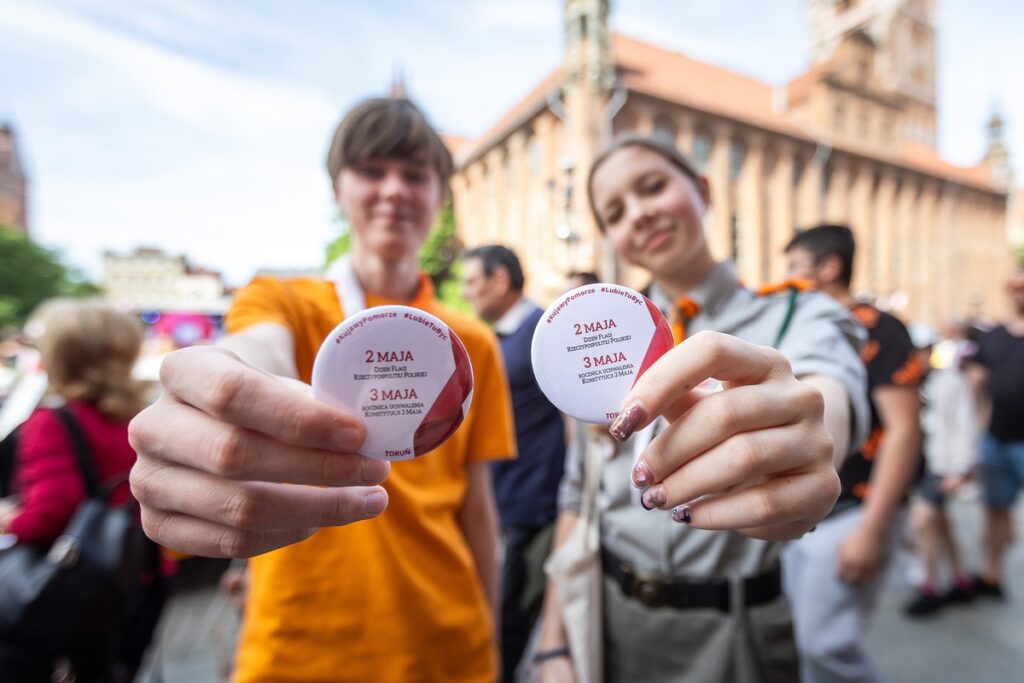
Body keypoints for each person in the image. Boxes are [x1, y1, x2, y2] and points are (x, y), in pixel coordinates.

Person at [128, 97, 517, 683]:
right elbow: (252, 351)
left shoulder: (467, 346)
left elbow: (477, 508)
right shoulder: (282, 301)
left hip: (444, 642)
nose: (393, 190)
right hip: (297, 647)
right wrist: (218, 386)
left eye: (415, 175)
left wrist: (489, 638)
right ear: (338, 189)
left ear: (441, 197)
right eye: (372, 170)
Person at [534, 134, 869, 683]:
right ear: (612, 238)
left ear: (704, 191)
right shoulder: (590, 345)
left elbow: (825, 399)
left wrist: (806, 439)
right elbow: (578, 496)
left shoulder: (799, 314)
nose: (639, 214)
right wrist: (553, 645)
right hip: (610, 626)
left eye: (653, 186)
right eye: (615, 212)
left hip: (738, 635)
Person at [783, 224, 923, 682]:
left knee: (826, 648)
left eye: (795, 267)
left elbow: (904, 431)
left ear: (830, 267)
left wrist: (873, 527)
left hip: (855, 509)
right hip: (810, 511)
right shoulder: (799, 324)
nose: (786, 278)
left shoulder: (880, 329)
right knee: (804, 643)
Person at [0, 298, 162, 683]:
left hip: (82, 584)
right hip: (144, 573)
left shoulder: (51, 422)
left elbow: (53, 509)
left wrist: (10, 522)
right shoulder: (149, 418)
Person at [461, 244, 568, 682]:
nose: (466, 294)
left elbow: (573, 425)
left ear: (499, 280)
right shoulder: (495, 336)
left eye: (472, 282)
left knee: (508, 622)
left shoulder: (544, 332)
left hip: (530, 506)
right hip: (501, 501)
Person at [903, 322, 977, 616]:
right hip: (920, 465)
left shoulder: (950, 382)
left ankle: (929, 586)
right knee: (940, 524)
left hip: (941, 466)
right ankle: (960, 579)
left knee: (923, 521)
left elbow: (965, 425)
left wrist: (959, 469)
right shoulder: (908, 384)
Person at [964, 269, 1024, 599]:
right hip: (998, 440)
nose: (1019, 292)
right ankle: (992, 573)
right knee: (995, 509)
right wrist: (980, 421)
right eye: (1014, 286)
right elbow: (976, 379)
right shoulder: (994, 335)